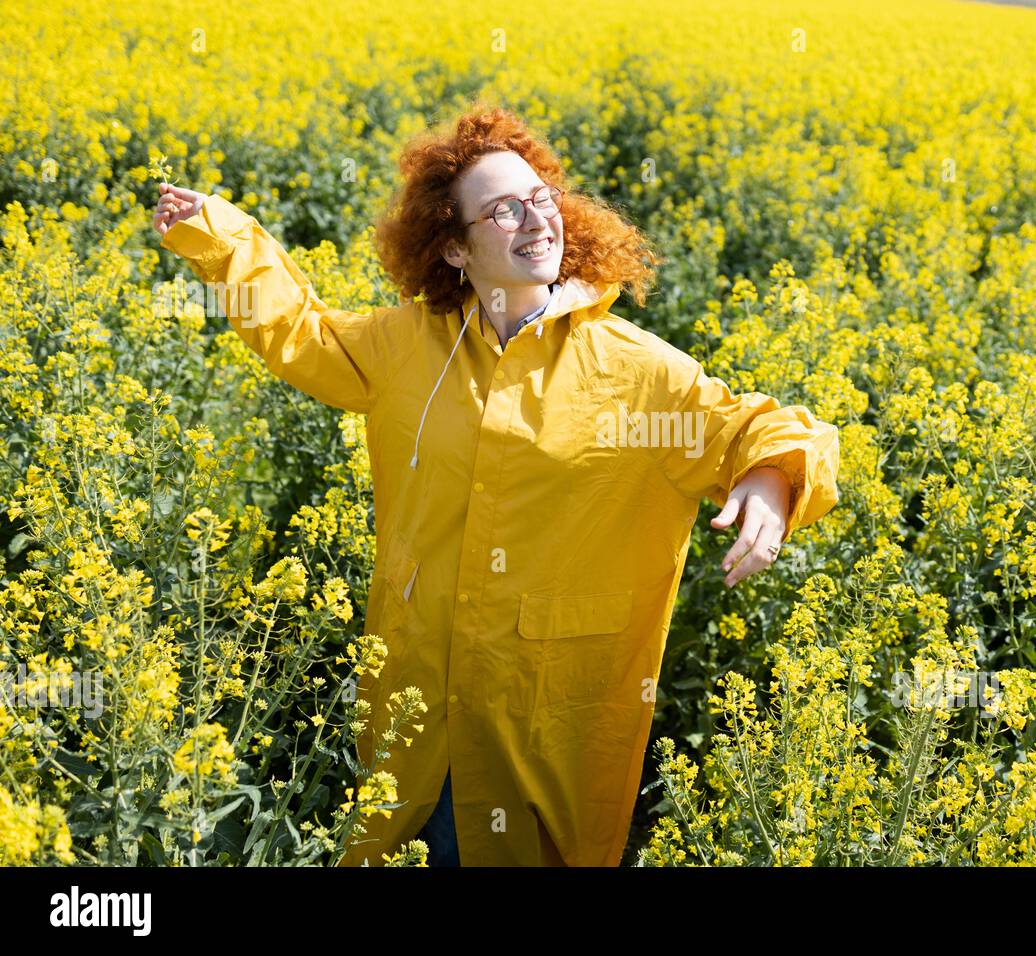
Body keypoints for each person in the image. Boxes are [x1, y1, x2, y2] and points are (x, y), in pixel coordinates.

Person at [152, 102, 841, 867]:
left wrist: (775, 478)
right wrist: (224, 238)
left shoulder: (635, 369)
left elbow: (747, 426)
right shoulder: (411, 345)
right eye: (505, 211)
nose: (536, 220)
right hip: (418, 705)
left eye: (541, 199)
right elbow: (303, 335)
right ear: (453, 251)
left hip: (540, 723)